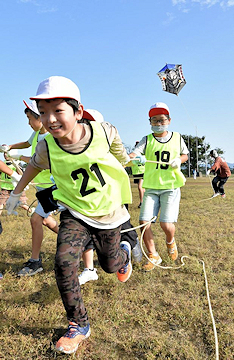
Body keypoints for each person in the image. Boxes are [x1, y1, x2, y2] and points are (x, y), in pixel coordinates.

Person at [6, 76, 133, 355]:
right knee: (63, 262)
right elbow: (33, 168)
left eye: (58, 110)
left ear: (78, 112)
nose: (50, 119)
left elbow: (120, 156)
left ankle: (124, 250)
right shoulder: (46, 146)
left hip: (109, 214)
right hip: (74, 213)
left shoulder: (104, 132)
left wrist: (125, 162)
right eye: (43, 113)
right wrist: (16, 194)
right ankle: (79, 324)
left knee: (110, 266)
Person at [78, 110, 142, 285]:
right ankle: (92, 264)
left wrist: (132, 159)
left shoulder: (106, 142)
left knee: (122, 224)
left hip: (112, 194)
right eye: (82, 121)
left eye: (89, 122)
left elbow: (122, 158)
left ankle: (129, 248)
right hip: (88, 199)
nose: (84, 125)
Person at [1, 100, 59, 276]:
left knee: (35, 219)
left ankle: (35, 262)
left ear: (39, 117)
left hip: (53, 187)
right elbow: (26, 143)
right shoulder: (37, 135)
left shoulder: (50, 137)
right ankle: (80, 242)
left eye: (29, 118)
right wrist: (10, 146)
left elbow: (39, 161)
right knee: (45, 220)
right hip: (41, 188)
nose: (28, 122)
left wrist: (19, 157)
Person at [129, 102, 188, 271]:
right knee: (143, 222)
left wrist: (179, 160)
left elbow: (185, 154)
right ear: (150, 122)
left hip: (170, 186)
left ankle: (170, 241)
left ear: (169, 120)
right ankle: (154, 255)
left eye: (162, 120)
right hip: (151, 188)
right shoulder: (146, 139)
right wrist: (134, 157)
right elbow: (134, 153)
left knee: (166, 224)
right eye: (154, 120)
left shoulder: (177, 137)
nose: (158, 123)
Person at [0, 150, 31, 216]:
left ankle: (32, 212)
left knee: (23, 204)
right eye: (4, 153)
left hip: (17, 187)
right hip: (5, 187)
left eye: (7, 153)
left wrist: (17, 166)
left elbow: (22, 174)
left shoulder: (17, 163)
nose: (5, 155)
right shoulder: (2, 163)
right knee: (1, 203)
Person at [131, 141, 145, 208]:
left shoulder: (144, 155)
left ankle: (142, 202)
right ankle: (144, 201)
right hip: (136, 173)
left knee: (140, 187)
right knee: (142, 188)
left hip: (143, 172)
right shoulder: (133, 155)